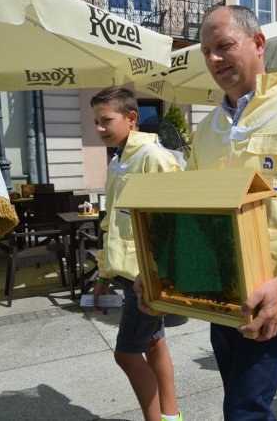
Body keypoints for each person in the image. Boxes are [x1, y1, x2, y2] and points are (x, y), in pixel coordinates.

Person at [137, 6, 277, 420]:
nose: (214, 60)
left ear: (258, 44)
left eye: (224, 46)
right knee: (239, 401)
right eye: (206, 51)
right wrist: (160, 273)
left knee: (244, 409)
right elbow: (190, 214)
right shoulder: (207, 131)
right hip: (221, 293)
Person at [90, 86, 184, 421]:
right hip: (131, 276)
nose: (100, 128)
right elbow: (113, 224)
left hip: (148, 278)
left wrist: (159, 274)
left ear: (132, 119)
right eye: (96, 122)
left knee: (126, 354)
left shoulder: (153, 159)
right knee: (154, 344)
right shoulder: (118, 162)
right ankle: (170, 416)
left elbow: (174, 222)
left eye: (106, 120)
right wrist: (104, 273)